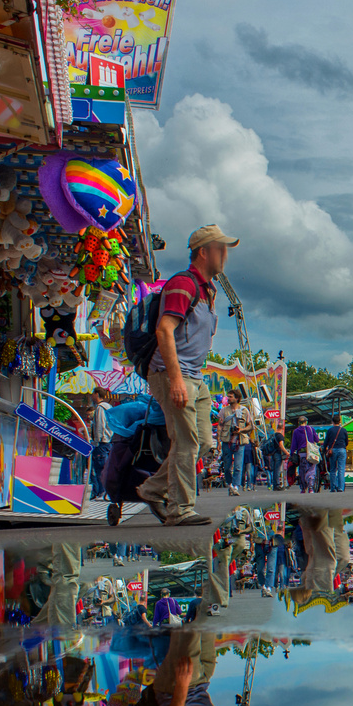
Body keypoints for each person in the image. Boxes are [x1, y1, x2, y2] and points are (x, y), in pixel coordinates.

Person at [139, 225, 236, 527]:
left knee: (204, 441)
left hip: (195, 376)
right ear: (204, 252)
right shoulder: (183, 283)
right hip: (175, 374)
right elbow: (164, 330)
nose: (225, 255)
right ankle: (179, 510)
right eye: (221, 249)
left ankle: (152, 489)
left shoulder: (208, 290)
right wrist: (176, 378)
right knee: (185, 442)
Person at [89, 387, 114, 498]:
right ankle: (104, 490)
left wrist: (96, 441)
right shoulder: (109, 407)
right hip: (109, 441)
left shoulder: (100, 408)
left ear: (97, 394)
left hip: (102, 442)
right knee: (106, 467)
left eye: (93, 393)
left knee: (99, 467)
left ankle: (101, 491)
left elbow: (100, 425)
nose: (91, 396)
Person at [290, 416, 321, 493]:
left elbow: (294, 444)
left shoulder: (296, 431)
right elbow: (317, 440)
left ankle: (303, 488)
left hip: (302, 453)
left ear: (298, 422)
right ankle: (311, 487)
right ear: (306, 422)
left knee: (303, 470)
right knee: (312, 469)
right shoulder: (311, 429)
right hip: (311, 453)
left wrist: (291, 454)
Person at [323, 419, 350, 493]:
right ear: (340, 421)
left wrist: (324, 450)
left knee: (332, 469)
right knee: (341, 469)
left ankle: (333, 488)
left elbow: (326, 442)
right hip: (342, 449)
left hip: (333, 450)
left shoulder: (330, 430)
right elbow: (346, 441)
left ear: (332, 422)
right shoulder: (344, 430)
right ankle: (341, 487)